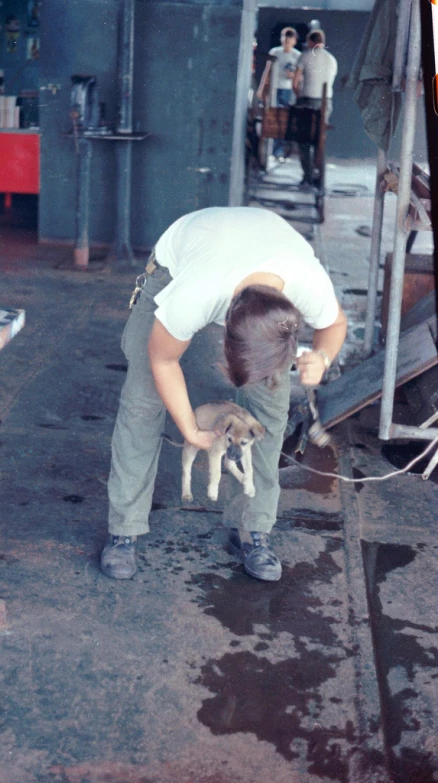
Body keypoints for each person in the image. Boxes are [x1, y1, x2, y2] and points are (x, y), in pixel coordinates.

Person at [101, 207, 347, 582]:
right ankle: (124, 529)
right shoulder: (193, 296)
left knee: (269, 415)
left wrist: (323, 357)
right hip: (177, 265)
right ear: (225, 334)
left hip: (256, 263)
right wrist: (189, 428)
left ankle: (252, 528)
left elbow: (335, 324)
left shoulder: (307, 285)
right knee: (143, 400)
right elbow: (163, 360)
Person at [292, 30, 338, 186]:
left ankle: (308, 176)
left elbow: (295, 83)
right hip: (326, 103)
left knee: (304, 141)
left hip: (307, 102)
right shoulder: (332, 59)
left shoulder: (304, 56)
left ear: (310, 42)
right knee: (320, 140)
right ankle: (320, 176)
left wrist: (298, 95)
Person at [256, 28, 300, 162]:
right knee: (272, 119)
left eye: (289, 39)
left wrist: (292, 76)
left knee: (284, 120)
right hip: (274, 90)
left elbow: (300, 77)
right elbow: (267, 71)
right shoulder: (275, 52)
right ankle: (271, 151)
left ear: (294, 41)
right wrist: (261, 89)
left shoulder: (297, 56)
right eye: (284, 38)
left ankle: (279, 151)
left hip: (288, 91)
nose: (286, 41)